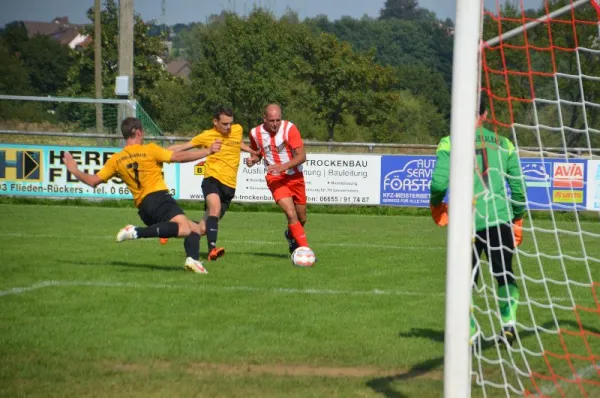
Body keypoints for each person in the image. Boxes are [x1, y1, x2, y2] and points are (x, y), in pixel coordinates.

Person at [61, 117, 221, 274]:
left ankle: (192, 260)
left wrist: (74, 170)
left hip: (144, 208)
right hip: (159, 197)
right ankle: (136, 231)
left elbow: (93, 181)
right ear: (138, 132)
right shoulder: (149, 149)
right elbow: (178, 158)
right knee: (185, 228)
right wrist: (207, 151)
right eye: (142, 132)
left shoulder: (116, 159)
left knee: (196, 229)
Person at [429, 100, 526, 346]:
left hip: (466, 222)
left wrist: (436, 206)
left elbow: (439, 183)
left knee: (463, 280)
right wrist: (517, 219)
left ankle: (470, 331)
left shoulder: (449, 141)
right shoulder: (505, 144)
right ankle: (508, 324)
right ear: (484, 114)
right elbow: (518, 189)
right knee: (504, 273)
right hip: (499, 217)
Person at [166, 105, 258, 261]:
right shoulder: (207, 136)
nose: (229, 127)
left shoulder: (237, 129)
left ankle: (170, 227)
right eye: (225, 124)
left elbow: (238, 144)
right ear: (215, 121)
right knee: (214, 208)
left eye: (230, 123)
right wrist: (159, 152)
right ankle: (212, 250)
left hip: (230, 186)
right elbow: (183, 147)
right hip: (212, 179)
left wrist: (253, 154)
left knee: (202, 228)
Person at [245, 103, 311, 256]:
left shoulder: (289, 129)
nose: (275, 124)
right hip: (275, 177)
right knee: (290, 213)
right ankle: (306, 251)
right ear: (264, 119)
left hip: (295, 176)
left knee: (301, 218)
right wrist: (253, 160)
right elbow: (258, 152)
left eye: (278, 120)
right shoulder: (255, 133)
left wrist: (284, 166)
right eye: (271, 120)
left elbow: (302, 156)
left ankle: (290, 234)